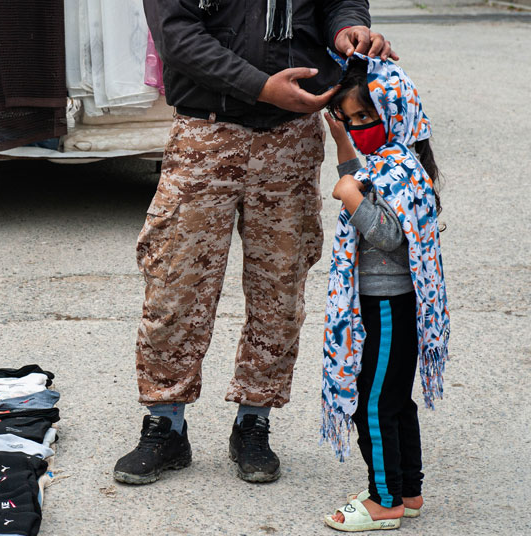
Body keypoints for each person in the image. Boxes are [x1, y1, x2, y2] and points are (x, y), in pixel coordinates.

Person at [115, 0, 397, 485]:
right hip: (206, 132)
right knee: (175, 283)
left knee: (280, 287)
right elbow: (177, 33)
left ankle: (254, 420)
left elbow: (338, 3)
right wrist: (260, 87)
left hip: (289, 138)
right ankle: (165, 422)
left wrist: (350, 28)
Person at [320, 54, 449, 531]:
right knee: (395, 399)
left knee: (373, 403)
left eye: (365, 118)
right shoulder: (393, 161)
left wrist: (351, 197)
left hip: (389, 305)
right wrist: (342, 142)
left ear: (395, 114)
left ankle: (384, 501)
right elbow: (361, 172)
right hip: (386, 303)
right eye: (351, 119)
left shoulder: (402, 170)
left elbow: (390, 235)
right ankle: (407, 491)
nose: (358, 127)